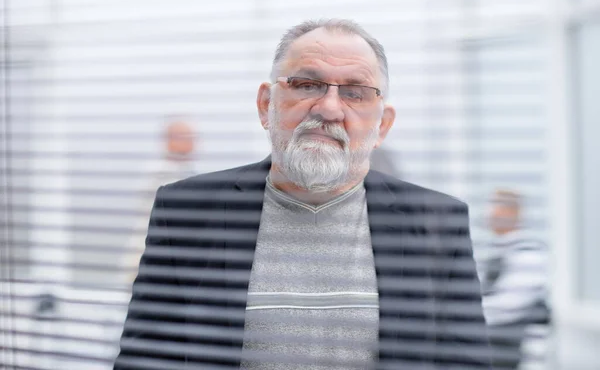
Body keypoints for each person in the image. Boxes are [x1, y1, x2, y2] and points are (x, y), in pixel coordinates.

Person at [114, 19, 490, 369]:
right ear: (266, 105)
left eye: (355, 93)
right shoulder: (187, 212)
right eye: (307, 85)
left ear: (383, 126)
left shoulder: (438, 223)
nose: (328, 108)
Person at [123, 118, 198, 283]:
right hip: (152, 255)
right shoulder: (163, 173)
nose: (193, 143)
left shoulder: (184, 172)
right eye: (186, 137)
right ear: (169, 140)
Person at [480, 189, 549, 369]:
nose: (489, 214)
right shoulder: (496, 250)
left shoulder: (528, 253)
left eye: (496, 207)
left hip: (515, 352)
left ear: (512, 213)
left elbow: (510, 304)